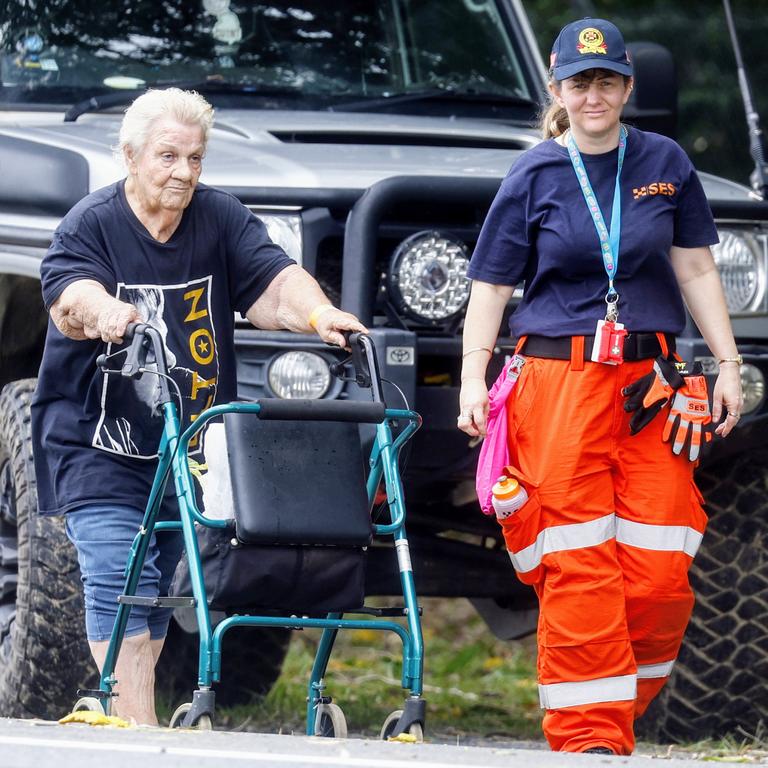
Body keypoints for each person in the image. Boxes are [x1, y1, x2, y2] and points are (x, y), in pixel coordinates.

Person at [31, 87, 366, 725]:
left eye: (195, 158)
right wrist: (107, 312)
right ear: (129, 156)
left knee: (154, 586)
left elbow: (273, 282)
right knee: (115, 568)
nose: (184, 172)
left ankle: (128, 718)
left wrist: (320, 314)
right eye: (168, 157)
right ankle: (134, 726)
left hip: (188, 439)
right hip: (96, 437)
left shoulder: (219, 217)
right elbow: (68, 299)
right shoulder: (91, 223)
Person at [458, 18, 742, 756]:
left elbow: (696, 269)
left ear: (627, 86)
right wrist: (472, 378)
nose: (594, 94)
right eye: (580, 82)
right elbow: (490, 286)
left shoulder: (665, 161)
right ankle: (590, 740)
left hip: (652, 386)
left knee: (658, 573)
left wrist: (729, 365)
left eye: (607, 80)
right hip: (556, 383)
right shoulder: (535, 173)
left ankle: (611, 707)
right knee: (578, 563)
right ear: (557, 89)